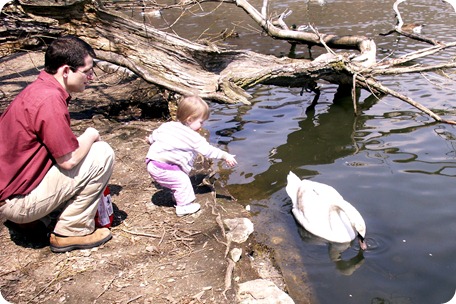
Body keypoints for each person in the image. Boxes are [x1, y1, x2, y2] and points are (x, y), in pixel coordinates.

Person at [0, 36, 115, 253]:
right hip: (16, 202)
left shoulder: (38, 89)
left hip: (8, 192)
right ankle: (71, 231)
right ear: (65, 71)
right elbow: (69, 160)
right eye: (87, 71)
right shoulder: (49, 100)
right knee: (101, 153)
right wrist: (91, 134)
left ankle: (29, 221)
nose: (90, 77)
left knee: (81, 145)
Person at [146, 95, 237, 216]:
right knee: (183, 181)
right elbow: (208, 150)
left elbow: (156, 136)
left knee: (177, 179)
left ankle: (178, 197)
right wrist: (225, 155)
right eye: (201, 122)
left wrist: (150, 140)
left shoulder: (168, 126)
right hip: (163, 167)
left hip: (152, 162)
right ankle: (184, 207)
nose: (202, 125)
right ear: (189, 120)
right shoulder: (192, 137)